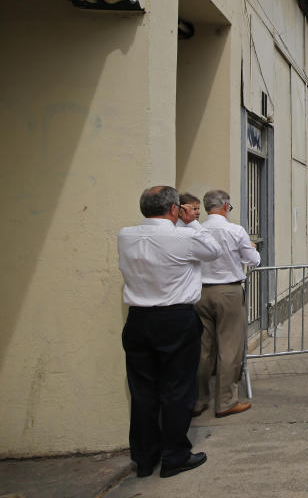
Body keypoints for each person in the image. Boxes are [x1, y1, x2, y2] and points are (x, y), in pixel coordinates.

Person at [118, 186, 221, 478]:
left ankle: (145, 457)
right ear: (175, 209)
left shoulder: (125, 235)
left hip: (138, 319)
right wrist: (192, 223)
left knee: (142, 391)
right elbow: (213, 252)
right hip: (175, 318)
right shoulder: (184, 236)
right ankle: (174, 455)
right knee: (177, 389)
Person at [193, 189, 261, 418]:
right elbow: (253, 260)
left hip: (199, 292)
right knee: (229, 348)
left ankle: (198, 399)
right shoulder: (234, 230)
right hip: (228, 291)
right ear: (225, 206)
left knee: (203, 349)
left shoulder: (197, 230)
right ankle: (225, 401)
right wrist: (252, 247)